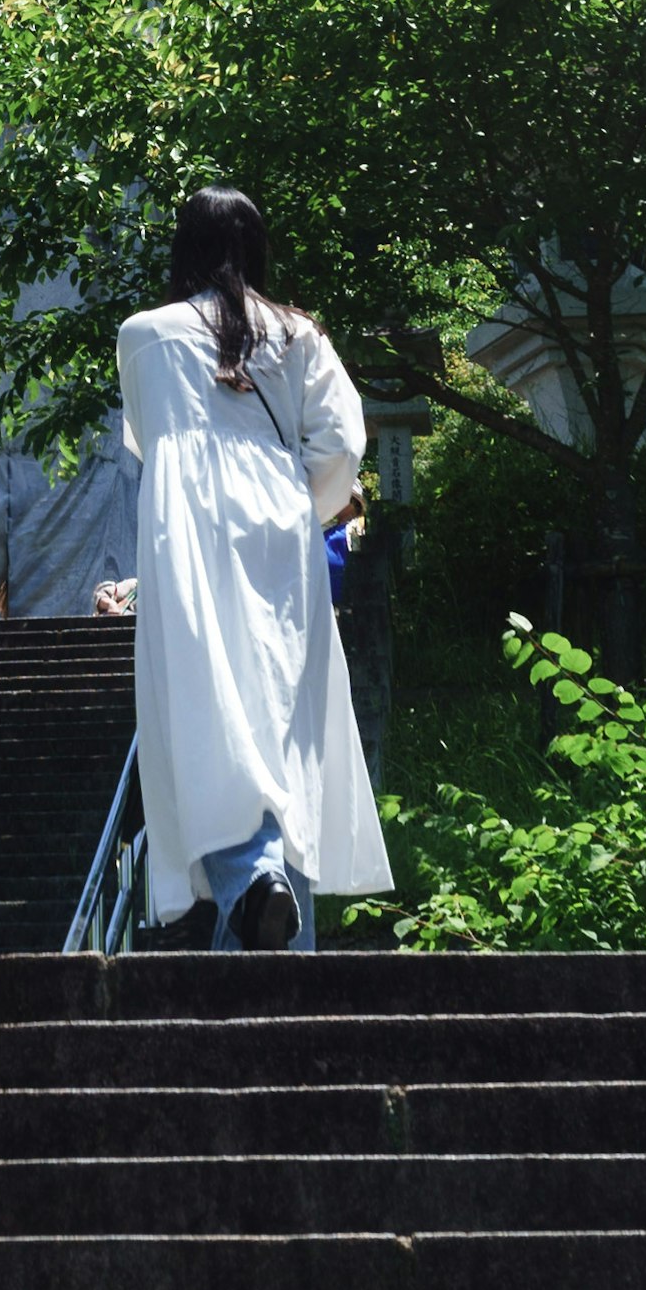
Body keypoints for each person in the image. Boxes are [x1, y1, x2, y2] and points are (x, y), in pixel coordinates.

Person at [103, 188, 392, 948]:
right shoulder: (300, 335)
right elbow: (342, 443)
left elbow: (150, 434)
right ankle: (275, 946)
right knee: (283, 728)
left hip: (186, 529)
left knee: (203, 716)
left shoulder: (144, 335)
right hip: (282, 523)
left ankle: (254, 876)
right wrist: (302, 507)